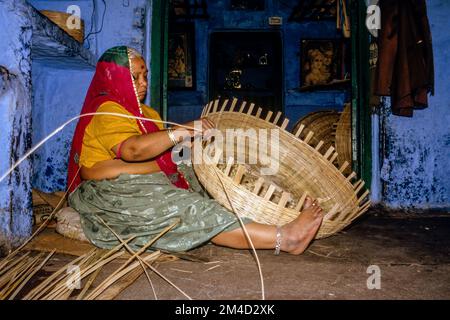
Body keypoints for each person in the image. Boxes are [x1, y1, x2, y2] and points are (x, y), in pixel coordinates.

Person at [67, 46, 324, 255]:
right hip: (108, 191)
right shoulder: (106, 110)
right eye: (134, 77)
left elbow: (162, 155)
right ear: (114, 78)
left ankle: (270, 217)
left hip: (141, 177)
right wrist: (181, 131)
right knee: (190, 209)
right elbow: (133, 151)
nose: (143, 83)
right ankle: (285, 239)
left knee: (208, 181)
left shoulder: (147, 114)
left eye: (145, 75)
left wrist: (189, 149)